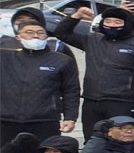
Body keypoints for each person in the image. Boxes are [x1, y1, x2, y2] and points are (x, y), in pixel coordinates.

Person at [53, 7, 134, 133]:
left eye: (117, 22)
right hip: (92, 100)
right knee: (92, 140)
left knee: (119, 141)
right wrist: (76, 16)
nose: (112, 25)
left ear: (126, 24)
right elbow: (62, 33)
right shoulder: (93, 40)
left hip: (123, 102)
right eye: (108, 22)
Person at [0, 16, 80, 145]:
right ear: (18, 37)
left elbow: (71, 91)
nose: (36, 36)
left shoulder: (62, 61)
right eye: (29, 32)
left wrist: (70, 117)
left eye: (40, 33)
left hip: (45, 121)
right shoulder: (5, 57)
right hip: (6, 120)